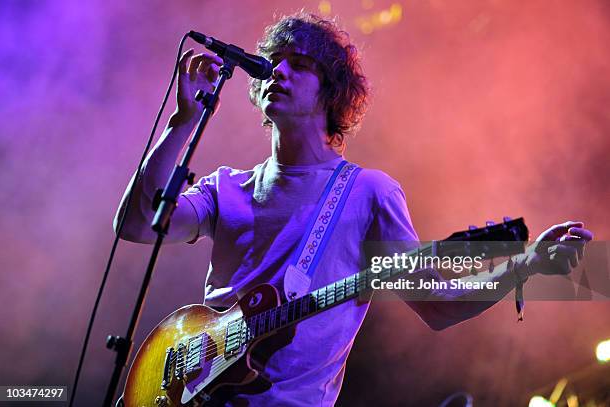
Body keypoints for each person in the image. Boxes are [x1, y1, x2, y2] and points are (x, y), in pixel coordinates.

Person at [114, 12, 593, 406]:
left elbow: (438, 305)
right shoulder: (227, 188)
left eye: (298, 64)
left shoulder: (369, 193)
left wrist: (524, 264)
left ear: (332, 90)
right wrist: (182, 121)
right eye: (273, 62)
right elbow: (136, 224)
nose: (276, 71)